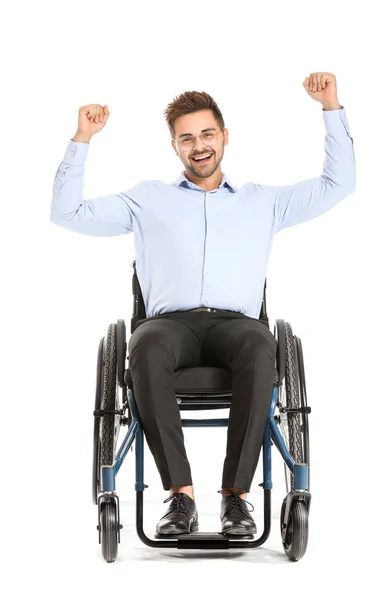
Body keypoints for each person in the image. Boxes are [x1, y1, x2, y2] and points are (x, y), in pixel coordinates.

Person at [50, 72, 356, 538]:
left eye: (207, 134)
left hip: (237, 327)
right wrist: (83, 139)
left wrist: (330, 108)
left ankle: (236, 499)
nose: (199, 146)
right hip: (169, 327)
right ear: (174, 146)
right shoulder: (148, 199)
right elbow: (66, 213)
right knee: (145, 345)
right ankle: (180, 498)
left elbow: (339, 184)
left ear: (224, 137)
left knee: (260, 346)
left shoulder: (263, 202)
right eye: (187, 138)